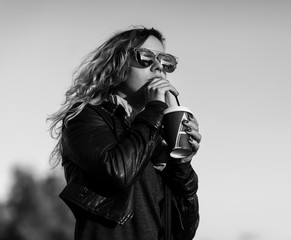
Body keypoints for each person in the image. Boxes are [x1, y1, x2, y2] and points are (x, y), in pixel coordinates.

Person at [48, 26, 201, 240]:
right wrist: (156, 107)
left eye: (166, 61)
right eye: (146, 57)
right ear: (118, 63)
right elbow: (118, 171)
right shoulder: (85, 117)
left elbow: (184, 231)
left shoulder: (155, 133)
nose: (158, 67)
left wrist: (182, 164)